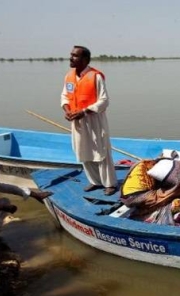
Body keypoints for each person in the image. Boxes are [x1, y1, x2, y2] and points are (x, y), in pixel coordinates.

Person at [61, 45, 117, 196]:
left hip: (94, 119)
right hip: (77, 121)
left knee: (101, 151)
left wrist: (84, 112)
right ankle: (94, 181)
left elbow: (104, 101)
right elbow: (65, 96)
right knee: (82, 150)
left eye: (75, 55)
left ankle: (110, 183)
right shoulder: (69, 76)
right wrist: (67, 111)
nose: (71, 58)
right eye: (71, 55)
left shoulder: (96, 76)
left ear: (84, 59)